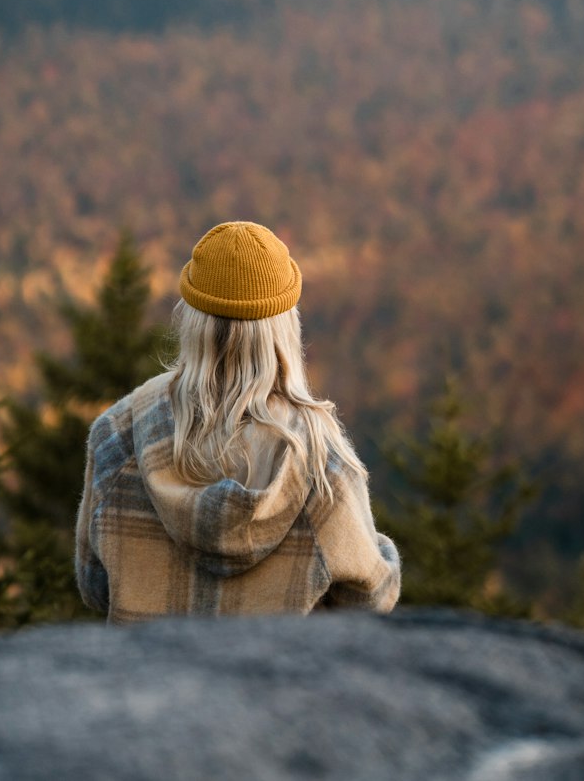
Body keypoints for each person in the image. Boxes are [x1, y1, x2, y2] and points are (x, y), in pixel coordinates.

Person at [75, 219, 401, 623]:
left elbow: (94, 587)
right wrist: (377, 548)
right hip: (271, 681)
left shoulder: (117, 434)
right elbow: (370, 599)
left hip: (144, 679)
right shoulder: (317, 455)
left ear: (191, 319)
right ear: (284, 327)